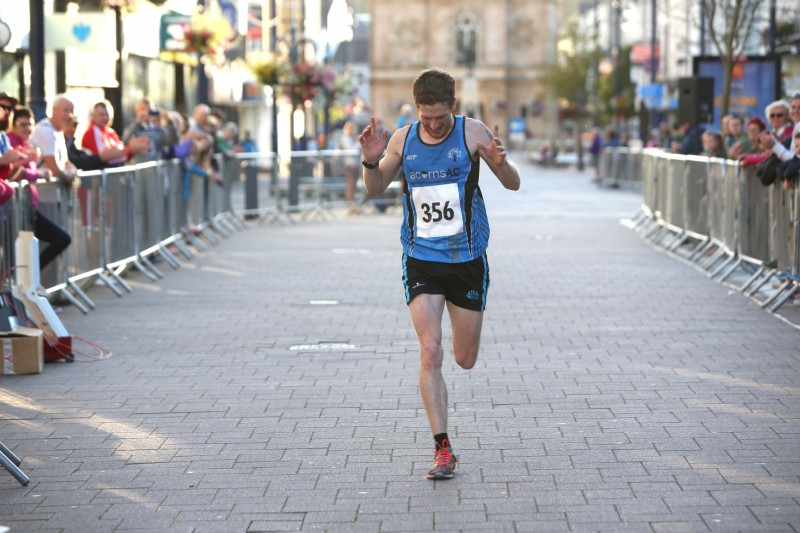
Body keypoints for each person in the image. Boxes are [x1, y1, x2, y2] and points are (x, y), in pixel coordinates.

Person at [358, 68, 521, 480]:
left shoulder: (472, 132)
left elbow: (513, 183)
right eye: (425, 117)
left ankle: (446, 440)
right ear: (417, 110)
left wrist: (501, 166)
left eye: (440, 118)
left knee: (464, 359)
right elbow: (374, 188)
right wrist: (369, 160)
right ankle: (443, 449)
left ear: (453, 106)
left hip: (467, 260)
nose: (432, 125)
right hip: (422, 257)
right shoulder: (402, 138)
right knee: (430, 349)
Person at [27, 95, 76, 270]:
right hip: (41, 198)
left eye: (71, 111)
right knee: (55, 240)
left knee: (60, 239)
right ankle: (37, 284)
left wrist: (72, 173)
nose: (69, 115)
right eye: (65, 110)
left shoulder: (58, 132)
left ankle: (51, 288)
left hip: (53, 198)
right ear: (53, 111)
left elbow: (67, 163)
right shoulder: (45, 131)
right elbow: (54, 168)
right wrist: (69, 177)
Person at [80, 100, 146, 165]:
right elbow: (104, 158)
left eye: (107, 114)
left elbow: (120, 152)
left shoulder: (110, 132)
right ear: (93, 116)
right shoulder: (92, 132)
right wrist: (130, 150)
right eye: (101, 115)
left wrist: (130, 150)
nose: (105, 118)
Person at [0, 92, 26, 206]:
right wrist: (2, 161)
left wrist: (19, 162)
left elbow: (8, 177)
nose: (6, 112)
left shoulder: (4, 137)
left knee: (8, 190)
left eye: (9, 108)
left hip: (5, 211)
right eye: (2, 107)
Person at [759, 94, 800, 163]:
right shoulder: (770, 133)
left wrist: (774, 147)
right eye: (772, 115)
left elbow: (795, 159)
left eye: (779, 115)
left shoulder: (790, 132)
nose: (775, 118)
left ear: (787, 116)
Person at [337, 120, 360, 211]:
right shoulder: (344, 138)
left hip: (356, 164)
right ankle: (350, 204)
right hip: (348, 164)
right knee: (350, 185)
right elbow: (351, 149)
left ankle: (353, 204)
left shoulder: (353, 137)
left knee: (354, 185)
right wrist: (358, 143)